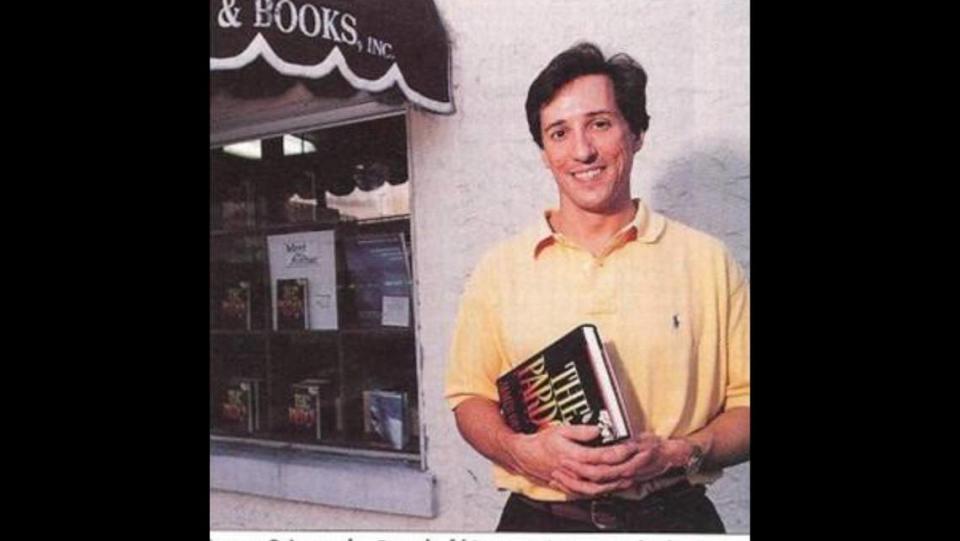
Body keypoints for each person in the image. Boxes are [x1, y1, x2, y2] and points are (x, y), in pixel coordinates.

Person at [444, 41, 750, 533]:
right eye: (559, 133)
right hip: (538, 521)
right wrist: (522, 452)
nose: (581, 150)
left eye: (600, 124)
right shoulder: (498, 270)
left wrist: (681, 452)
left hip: (674, 520)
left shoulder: (708, 262)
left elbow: (747, 404)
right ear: (544, 153)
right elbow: (469, 400)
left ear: (637, 132)